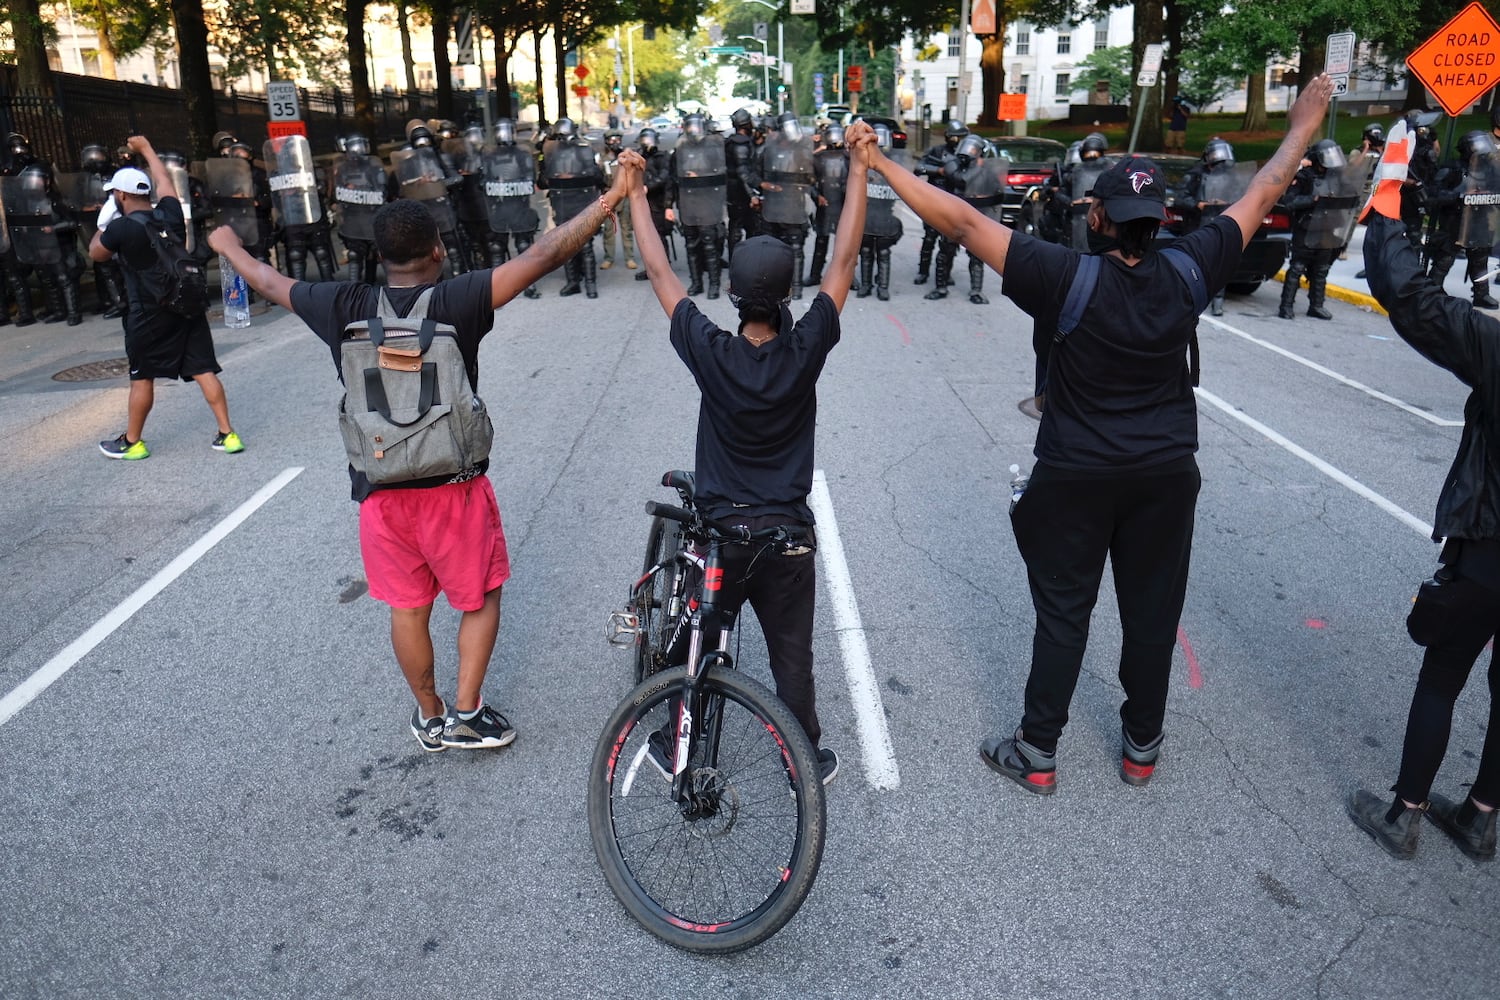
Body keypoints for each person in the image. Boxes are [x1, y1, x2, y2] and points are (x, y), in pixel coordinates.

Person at [857, 75, 1334, 794]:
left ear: (1101, 219)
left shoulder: (1061, 275)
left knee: (1063, 613)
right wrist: (1302, 125)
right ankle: (1142, 749)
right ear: (1162, 218)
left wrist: (880, 164)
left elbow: (959, 222)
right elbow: (1265, 190)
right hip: (1164, 475)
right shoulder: (1194, 266)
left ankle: (1038, 752)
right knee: (1152, 614)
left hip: (1075, 476)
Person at [207, 147, 643, 754]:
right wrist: (613, 196)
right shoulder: (459, 300)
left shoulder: (342, 306)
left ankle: (430, 714)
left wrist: (227, 245)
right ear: (437, 249)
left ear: (380, 258)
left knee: (408, 608)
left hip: (382, 494)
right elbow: (544, 253)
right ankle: (468, 711)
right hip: (453, 489)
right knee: (481, 596)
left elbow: (264, 279)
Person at [627, 121, 877, 787]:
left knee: (694, 640)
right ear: (791, 295)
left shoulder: (713, 350)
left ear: (732, 297)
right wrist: (858, 171)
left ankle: (672, 738)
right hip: (787, 540)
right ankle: (804, 761)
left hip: (722, 536)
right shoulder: (807, 348)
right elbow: (845, 261)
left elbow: (658, 268)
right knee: (792, 659)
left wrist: (634, 191)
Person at [1346, 122, 1499, 861]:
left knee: (1443, 673)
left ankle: (1404, 812)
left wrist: (1389, 193)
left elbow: (1408, 297)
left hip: (1489, 543)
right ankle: (1480, 815)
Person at [88, 135, 243, 460]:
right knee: (204, 370)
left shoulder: (121, 229)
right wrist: (146, 149)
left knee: (142, 377)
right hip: (186, 305)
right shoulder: (169, 215)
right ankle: (228, 434)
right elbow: (166, 183)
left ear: (120, 195)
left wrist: (105, 221)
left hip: (148, 316)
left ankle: (132, 442)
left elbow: (96, 253)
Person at [1278, 139, 1356, 320]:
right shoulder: (1304, 177)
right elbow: (1289, 202)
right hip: (1306, 228)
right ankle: (1286, 305)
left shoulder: (1337, 177)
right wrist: (1312, 200)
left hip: (1328, 227)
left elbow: (1351, 196)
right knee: (1297, 267)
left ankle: (1316, 305)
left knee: (1321, 269)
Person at [1424, 130, 1499, 310]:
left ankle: (1481, 294)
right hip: (1454, 221)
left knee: (1479, 259)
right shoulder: (1452, 168)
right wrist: (1459, 196)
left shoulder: (1488, 170)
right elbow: (1433, 194)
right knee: (1445, 258)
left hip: (1479, 220)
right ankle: (1432, 289)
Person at [912, 120, 968, 284]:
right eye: (957, 137)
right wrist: (939, 170)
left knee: (950, 242)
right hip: (934, 200)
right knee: (929, 238)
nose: (959, 141)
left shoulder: (964, 155)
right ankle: (923, 271)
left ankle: (945, 273)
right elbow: (919, 167)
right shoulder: (937, 151)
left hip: (954, 201)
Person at [597, 129, 636, 271]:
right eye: (611, 140)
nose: (615, 143)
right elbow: (596, 176)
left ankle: (630, 257)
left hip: (624, 196)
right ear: (606, 141)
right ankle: (609, 258)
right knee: (608, 230)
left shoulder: (626, 156)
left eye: (617, 139)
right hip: (608, 196)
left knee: (626, 228)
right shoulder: (601, 157)